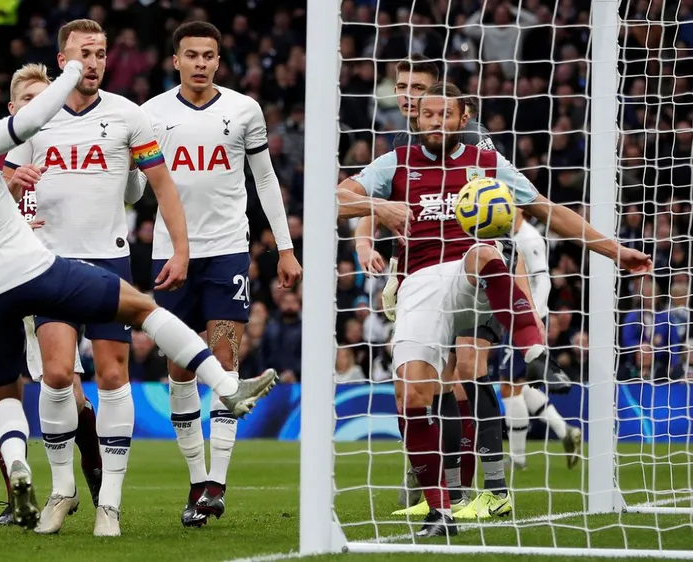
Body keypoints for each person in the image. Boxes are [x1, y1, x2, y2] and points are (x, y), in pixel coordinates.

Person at [0, 44, 278, 537]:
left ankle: (17, 464)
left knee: (3, 392)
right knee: (140, 306)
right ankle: (228, 387)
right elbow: (27, 122)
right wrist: (72, 73)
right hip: (34, 269)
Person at [336, 82, 650, 537]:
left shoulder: (486, 162)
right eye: (428, 115)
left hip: (469, 274)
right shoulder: (395, 162)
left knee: (486, 254)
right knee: (411, 396)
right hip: (420, 283)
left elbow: (547, 209)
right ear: (415, 119)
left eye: (446, 115)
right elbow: (337, 198)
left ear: (464, 120)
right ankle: (440, 511)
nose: (436, 122)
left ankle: (534, 354)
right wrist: (378, 205)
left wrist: (615, 251)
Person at [0, 18, 191, 535]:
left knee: (111, 378)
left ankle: (110, 501)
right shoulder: (36, 120)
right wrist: (17, 181)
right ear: (63, 61)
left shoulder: (129, 115)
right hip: (50, 265)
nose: (96, 61)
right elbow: (1, 196)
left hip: (109, 261)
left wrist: (181, 248)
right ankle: (62, 492)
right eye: (86, 52)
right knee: (56, 376)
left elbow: (162, 188)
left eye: (102, 52)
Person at [140, 21, 303, 527]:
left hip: (228, 252)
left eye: (209, 56)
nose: (201, 64)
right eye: (191, 55)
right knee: (179, 370)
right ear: (176, 60)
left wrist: (286, 247)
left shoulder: (243, 110)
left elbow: (265, 179)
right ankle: (194, 480)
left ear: (218, 61)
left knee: (226, 355)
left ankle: (217, 485)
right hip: (170, 254)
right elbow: (132, 188)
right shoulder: (151, 115)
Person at [0, 62, 110, 527]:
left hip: (51, 283)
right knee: (1, 395)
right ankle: (18, 499)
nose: (35, 109)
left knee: (71, 391)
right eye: (27, 101)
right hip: (0, 284)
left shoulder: (68, 148)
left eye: (42, 100)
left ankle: (94, 476)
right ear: (12, 108)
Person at [500, 212, 583, 471]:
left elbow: (543, 280)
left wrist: (533, 315)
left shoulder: (530, 238)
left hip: (524, 320)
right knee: (521, 385)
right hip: (514, 317)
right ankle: (565, 430)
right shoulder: (507, 235)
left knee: (508, 386)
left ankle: (517, 458)